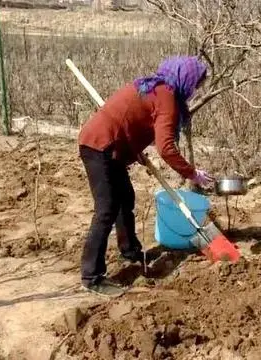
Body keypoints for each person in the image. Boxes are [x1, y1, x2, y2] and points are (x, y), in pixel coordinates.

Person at [77, 56, 215, 296]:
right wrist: (192, 173)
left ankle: (130, 252)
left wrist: (133, 149)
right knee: (106, 209)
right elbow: (166, 148)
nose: (194, 92)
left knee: (125, 200)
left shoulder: (154, 86)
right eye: (195, 86)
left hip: (113, 148)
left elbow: (129, 118)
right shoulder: (168, 100)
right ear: (187, 80)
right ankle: (92, 277)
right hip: (99, 147)